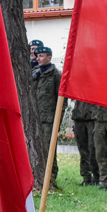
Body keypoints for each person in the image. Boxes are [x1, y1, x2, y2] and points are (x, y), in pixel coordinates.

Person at [31, 45, 65, 185]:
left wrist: (58, 122)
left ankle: (51, 176)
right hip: (34, 119)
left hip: (48, 120)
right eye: (37, 56)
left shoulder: (56, 75)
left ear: (49, 57)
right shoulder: (34, 74)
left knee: (49, 150)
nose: (37, 58)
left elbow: (61, 101)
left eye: (41, 56)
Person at [71, 100, 98, 186]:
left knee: (93, 148)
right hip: (78, 116)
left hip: (92, 117)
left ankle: (97, 176)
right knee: (83, 150)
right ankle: (86, 177)